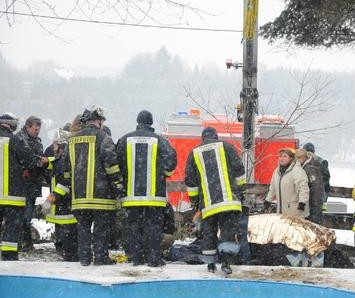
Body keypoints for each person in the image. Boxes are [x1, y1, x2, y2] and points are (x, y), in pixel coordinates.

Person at [53, 106, 124, 266]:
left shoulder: (72, 140)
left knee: (83, 228)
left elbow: (66, 169)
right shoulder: (103, 137)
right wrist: (118, 183)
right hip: (101, 196)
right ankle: (100, 258)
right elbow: (111, 164)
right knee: (101, 229)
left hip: (79, 197)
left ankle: (84, 258)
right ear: (98, 121)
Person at [116, 110, 177, 267]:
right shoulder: (160, 141)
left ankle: (135, 258)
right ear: (151, 123)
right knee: (153, 227)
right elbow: (171, 161)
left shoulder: (124, 140)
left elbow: (116, 162)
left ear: (138, 121)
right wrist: (164, 173)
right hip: (154, 196)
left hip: (131, 195)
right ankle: (153, 258)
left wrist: (124, 178)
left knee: (133, 226)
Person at [184, 127, 245, 274]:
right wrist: (240, 189)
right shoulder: (226, 147)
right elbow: (239, 170)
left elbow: (190, 182)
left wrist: (194, 201)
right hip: (229, 201)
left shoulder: (194, 153)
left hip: (208, 204)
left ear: (202, 138)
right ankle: (226, 262)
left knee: (209, 233)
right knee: (227, 232)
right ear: (216, 136)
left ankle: (210, 264)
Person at [0, 113, 42, 260]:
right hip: (13, 194)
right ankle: (9, 256)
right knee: (12, 229)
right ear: (11, 124)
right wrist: (42, 161)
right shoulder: (15, 139)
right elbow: (30, 161)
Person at [42, 125, 78, 261]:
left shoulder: (63, 161)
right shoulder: (61, 159)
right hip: (64, 206)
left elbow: (63, 185)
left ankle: (71, 257)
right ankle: (69, 255)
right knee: (65, 234)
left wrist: (50, 199)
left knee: (68, 236)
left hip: (66, 206)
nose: (52, 146)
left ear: (60, 145)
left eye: (55, 143)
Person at [16, 116, 47, 251]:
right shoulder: (21, 140)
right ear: (28, 127)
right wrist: (40, 161)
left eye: (39, 129)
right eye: (35, 129)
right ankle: (22, 242)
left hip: (33, 183)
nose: (37, 131)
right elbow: (27, 159)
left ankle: (26, 242)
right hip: (23, 183)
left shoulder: (35, 141)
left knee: (27, 215)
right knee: (23, 215)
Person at [265, 148, 310, 219]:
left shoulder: (297, 170)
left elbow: (303, 188)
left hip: (296, 211)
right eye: (280, 156)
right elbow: (273, 188)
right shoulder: (277, 172)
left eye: (284, 156)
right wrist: (268, 200)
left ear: (291, 158)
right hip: (281, 211)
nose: (281, 158)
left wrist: (302, 202)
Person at [295, 148, 323, 224]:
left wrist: (314, 208)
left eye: (297, 158)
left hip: (312, 206)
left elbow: (316, 189)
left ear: (303, 158)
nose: (295, 161)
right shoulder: (306, 167)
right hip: (310, 204)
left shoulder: (310, 169)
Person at [303, 143, 331, 210]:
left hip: (319, 194)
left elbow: (325, 178)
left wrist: (315, 186)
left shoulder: (321, 162)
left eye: (310, 152)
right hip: (313, 194)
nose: (309, 154)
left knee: (317, 213)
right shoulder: (304, 162)